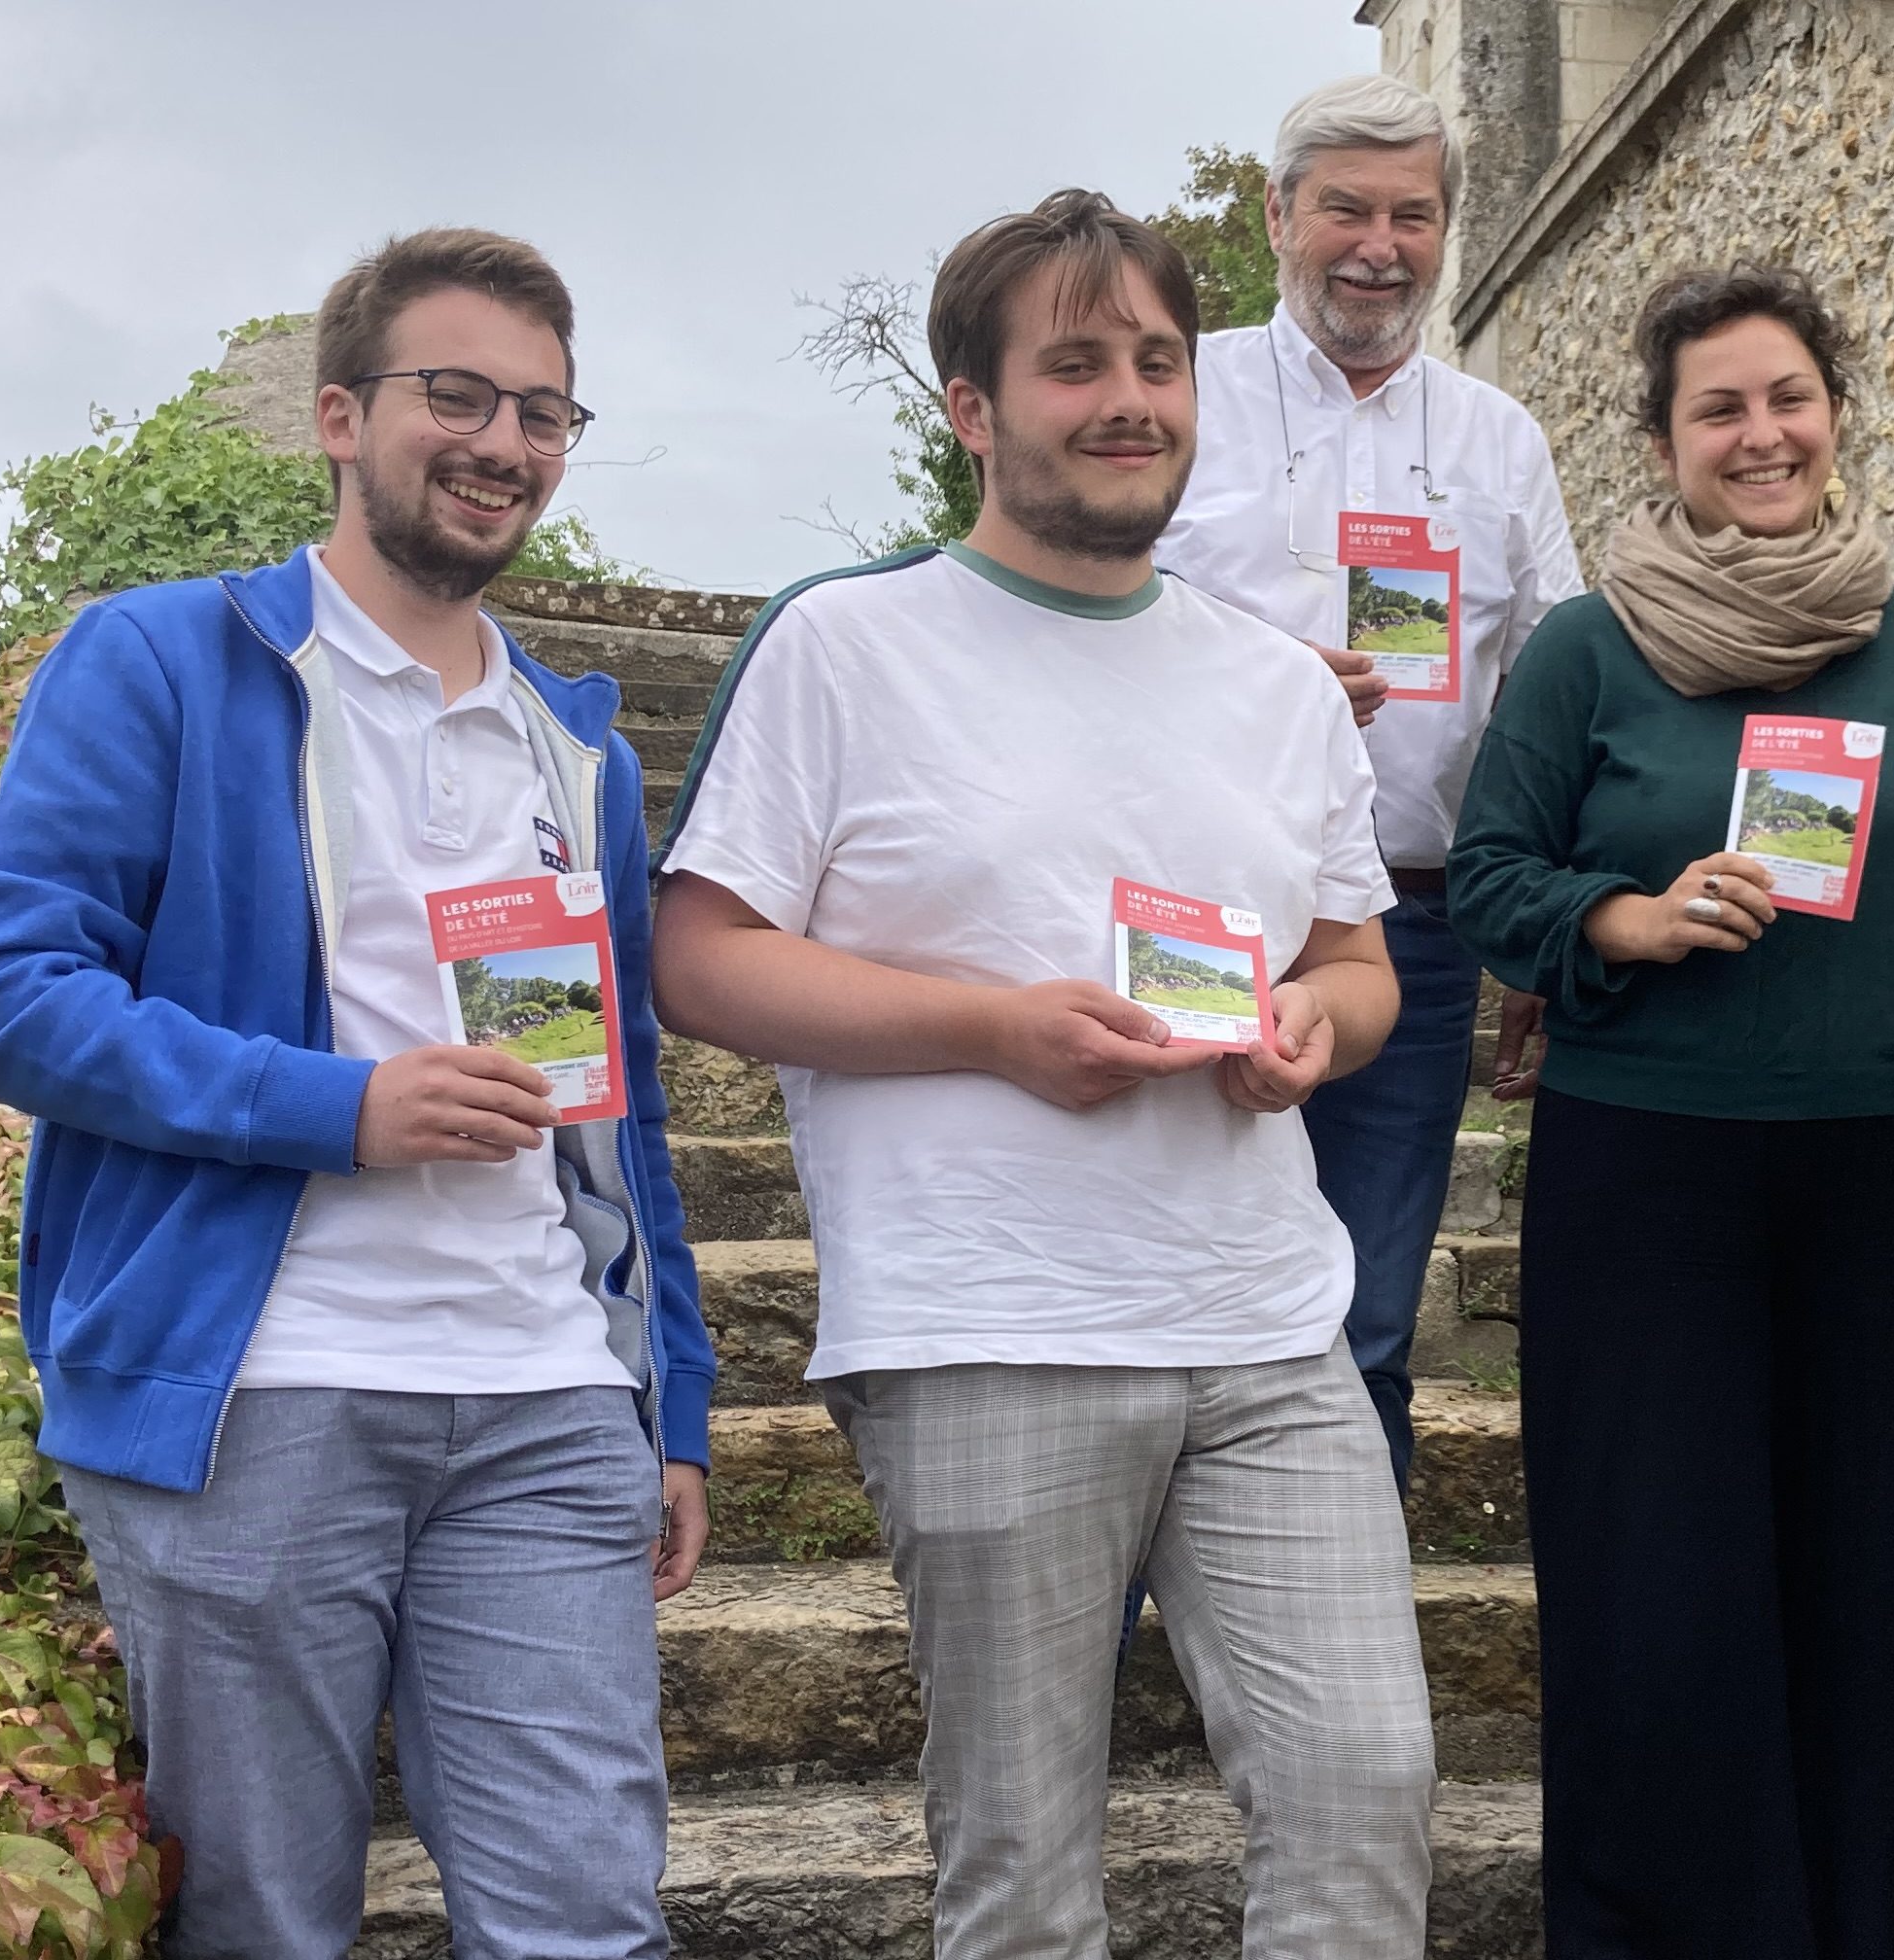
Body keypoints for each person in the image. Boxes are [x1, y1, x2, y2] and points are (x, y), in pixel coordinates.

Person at [651, 190, 1437, 1957]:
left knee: (1369, 1786)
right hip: (987, 1322)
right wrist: (996, 1027)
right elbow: (699, 958)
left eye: (1158, 360)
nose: (1129, 400)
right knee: (1020, 1869)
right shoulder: (845, 645)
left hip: (1265, 1324)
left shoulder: (1280, 684)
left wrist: (1317, 1030)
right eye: (1075, 364)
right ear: (973, 408)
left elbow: (1357, 963)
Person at [0, 229, 713, 1960]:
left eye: (543, 413)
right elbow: (2, 1000)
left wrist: (666, 1400)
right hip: (257, 1399)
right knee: (266, 1924)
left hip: (543, 1394)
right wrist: (337, 1108)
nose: (503, 443)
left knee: (587, 1921)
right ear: (342, 416)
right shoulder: (160, 662)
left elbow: (622, 1113)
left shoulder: (578, 750)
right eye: (459, 396)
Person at [1446, 263, 1894, 1959]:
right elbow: (1488, 877)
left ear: (1834, 418)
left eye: (1789, 398)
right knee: (1656, 1592)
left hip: (1883, 1175)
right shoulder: (1588, 649)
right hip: (1644, 1177)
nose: (1761, 434)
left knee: (1877, 1584)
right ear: (1663, 445)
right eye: (1720, 409)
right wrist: (1621, 920)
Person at [1159, 72, 1587, 1485]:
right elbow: (1086, 617)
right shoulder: (1179, 392)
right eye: (1346, 208)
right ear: (1278, 215)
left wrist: (1540, 923)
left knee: (1368, 1308)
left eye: (1413, 215)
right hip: (1188, 906)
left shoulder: (1499, 440)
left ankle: (1339, 1605)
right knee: (1164, 1296)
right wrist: (1257, 680)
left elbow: (1548, 693)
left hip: (1415, 923)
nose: (1379, 246)